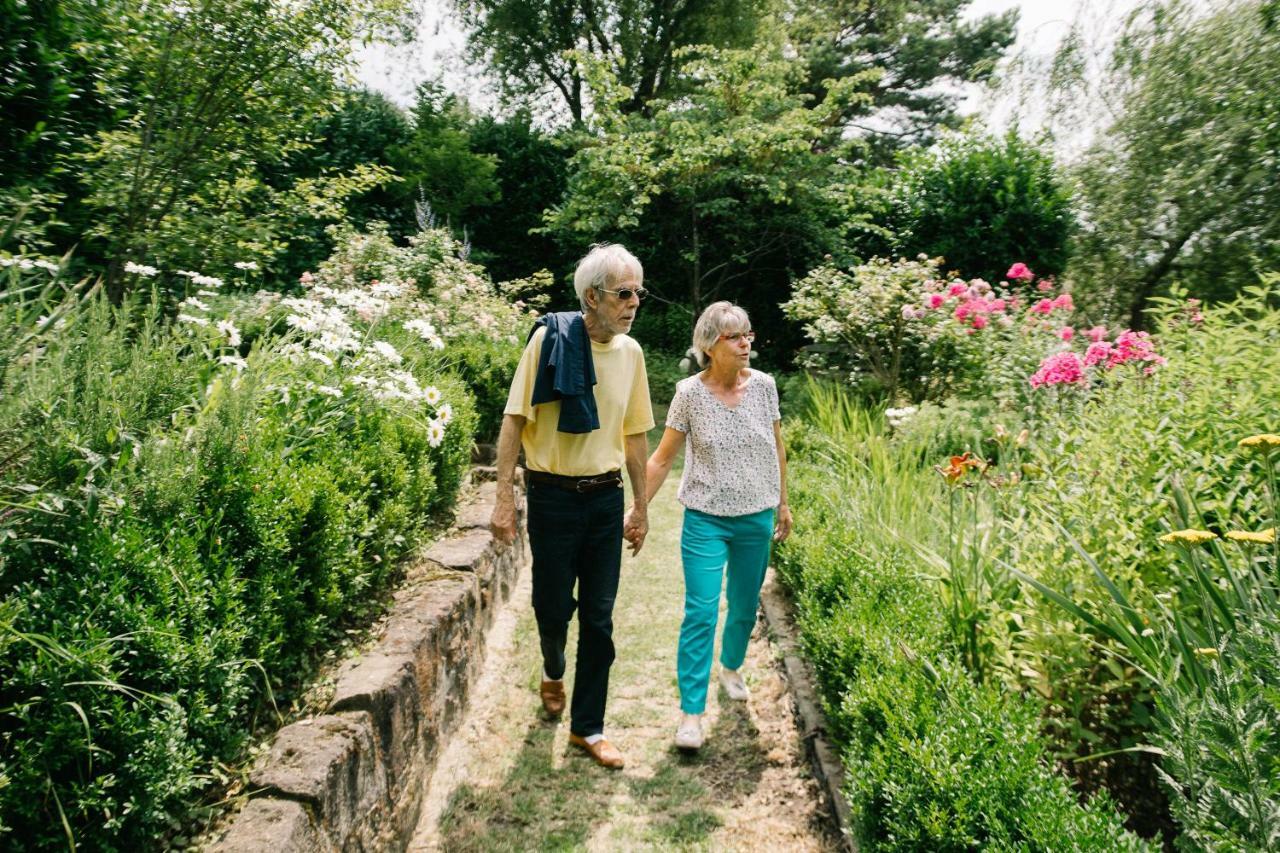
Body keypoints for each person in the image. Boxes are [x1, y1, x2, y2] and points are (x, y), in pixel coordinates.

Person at [489, 243, 654, 770]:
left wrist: (642, 506)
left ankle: (589, 727)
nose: (632, 303)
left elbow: (633, 436)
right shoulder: (550, 340)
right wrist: (503, 501)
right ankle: (553, 666)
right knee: (553, 608)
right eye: (622, 293)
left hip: (605, 499)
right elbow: (514, 420)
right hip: (552, 497)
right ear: (592, 296)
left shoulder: (631, 355)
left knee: (600, 620)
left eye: (638, 293)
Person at [634, 301, 792, 751]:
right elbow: (662, 458)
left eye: (748, 334)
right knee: (701, 612)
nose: (746, 343)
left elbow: (777, 448)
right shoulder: (689, 393)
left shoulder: (764, 387)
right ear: (710, 345)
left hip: (756, 515)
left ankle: (731, 666)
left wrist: (783, 504)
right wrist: (638, 509)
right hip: (705, 518)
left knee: (743, 606)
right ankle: (690, 713)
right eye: (735, 336)